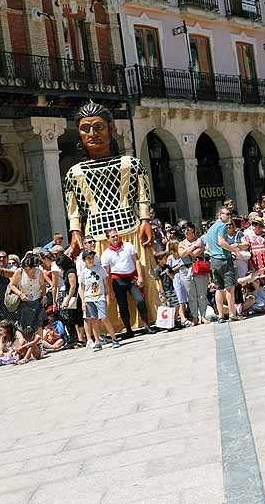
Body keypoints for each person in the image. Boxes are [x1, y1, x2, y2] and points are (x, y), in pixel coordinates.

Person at [63, 102, 158, 323]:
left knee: (141, 278)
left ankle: (148, 319)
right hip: (95, 236)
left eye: (98, 127)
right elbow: (73, 209)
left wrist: (145, 220)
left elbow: (143, 195)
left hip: (131, 229)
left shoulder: (131, 164)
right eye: (85, 128)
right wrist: (75, 232)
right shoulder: (73, 174)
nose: (92, 133)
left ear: (111, 128)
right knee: (103, 286)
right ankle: (111, 326)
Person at [101, 228, 153, 338]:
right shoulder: (106, 254)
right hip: (117, 281)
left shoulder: (128, 246)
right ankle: (129, 330)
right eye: (112, 236)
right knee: (123, 306)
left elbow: (137, 261)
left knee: (140, 300)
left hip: (131, 278)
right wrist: (110, 290)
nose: (115, 238)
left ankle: (146, 326)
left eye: (116, 235)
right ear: (108, 239)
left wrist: (140, 277)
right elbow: (107, 273)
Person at [204, 208, 240, 323]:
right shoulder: (222, 226)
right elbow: (221, 242)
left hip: (214, 260)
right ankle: (231, 313)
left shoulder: (210, 229)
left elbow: (208, 247)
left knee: (219, 289)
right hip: (224, 259)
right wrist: (233, 249)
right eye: (228, 214)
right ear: (220, 215)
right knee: (230, 288)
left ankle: (220, 315)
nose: (230, 216)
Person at [80, 249, 121, 350]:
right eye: (88, 258)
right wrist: (83, 302)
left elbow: (106, 284)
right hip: (89, 299)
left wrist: (108, 296)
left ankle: (114, 339)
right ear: (84, 260)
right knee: (94, 320)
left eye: (92, 258)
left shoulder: (100, 269)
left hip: (100, 297)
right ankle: (97, 341)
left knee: (104, 318)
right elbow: (82, 289)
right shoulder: (83, 273)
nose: (90, 260)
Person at [178, 221, 210, 324]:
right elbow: (181, 254)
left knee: (201, 294)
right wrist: (192, 247)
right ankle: (195, 317)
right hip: (185, 270)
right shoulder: (181, 243)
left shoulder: (199, 240)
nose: (186, 232)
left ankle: (203, 316)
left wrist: (187, 249)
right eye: (183, 230)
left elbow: (195, 254)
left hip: (198, 268)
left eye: (187, 229)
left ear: (193, 229)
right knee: (191, 295)